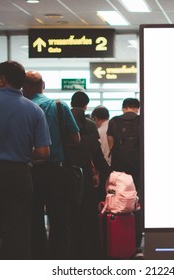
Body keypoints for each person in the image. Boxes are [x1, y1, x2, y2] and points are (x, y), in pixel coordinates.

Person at [0, 60, 51, 260]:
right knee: (17, 236)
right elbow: (43, 152)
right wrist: (21, 151)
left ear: (2, 80)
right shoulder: (34, 110)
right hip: (20, 175)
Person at [22, 71, 80, 259]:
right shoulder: (59, 106)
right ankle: (60, 260)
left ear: (24, 87)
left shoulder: (23, 107)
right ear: (43, 85)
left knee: (33, 219)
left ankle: (38, 257)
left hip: (31, 171)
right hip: (57, 171)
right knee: (60, 220)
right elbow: (75, 138)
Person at [69, 91, 111, 259]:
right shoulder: (90, 124)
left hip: (66, 176)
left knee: (68, 216)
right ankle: (89, 252)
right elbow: (97, 155)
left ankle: (70, 251)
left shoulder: (63, 121)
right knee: (87, 216)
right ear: (86, 105)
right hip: (85, 177)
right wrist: (108, 172)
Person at [106, 97, 143, 257]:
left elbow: (111, 146)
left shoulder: (114, 121)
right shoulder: (143, 120)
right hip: (138, 169)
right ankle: (136, 244)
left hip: (119, 171)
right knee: (137, 202)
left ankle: (118, 240)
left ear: (123, 108)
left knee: (117, 202)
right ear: (137, 108)